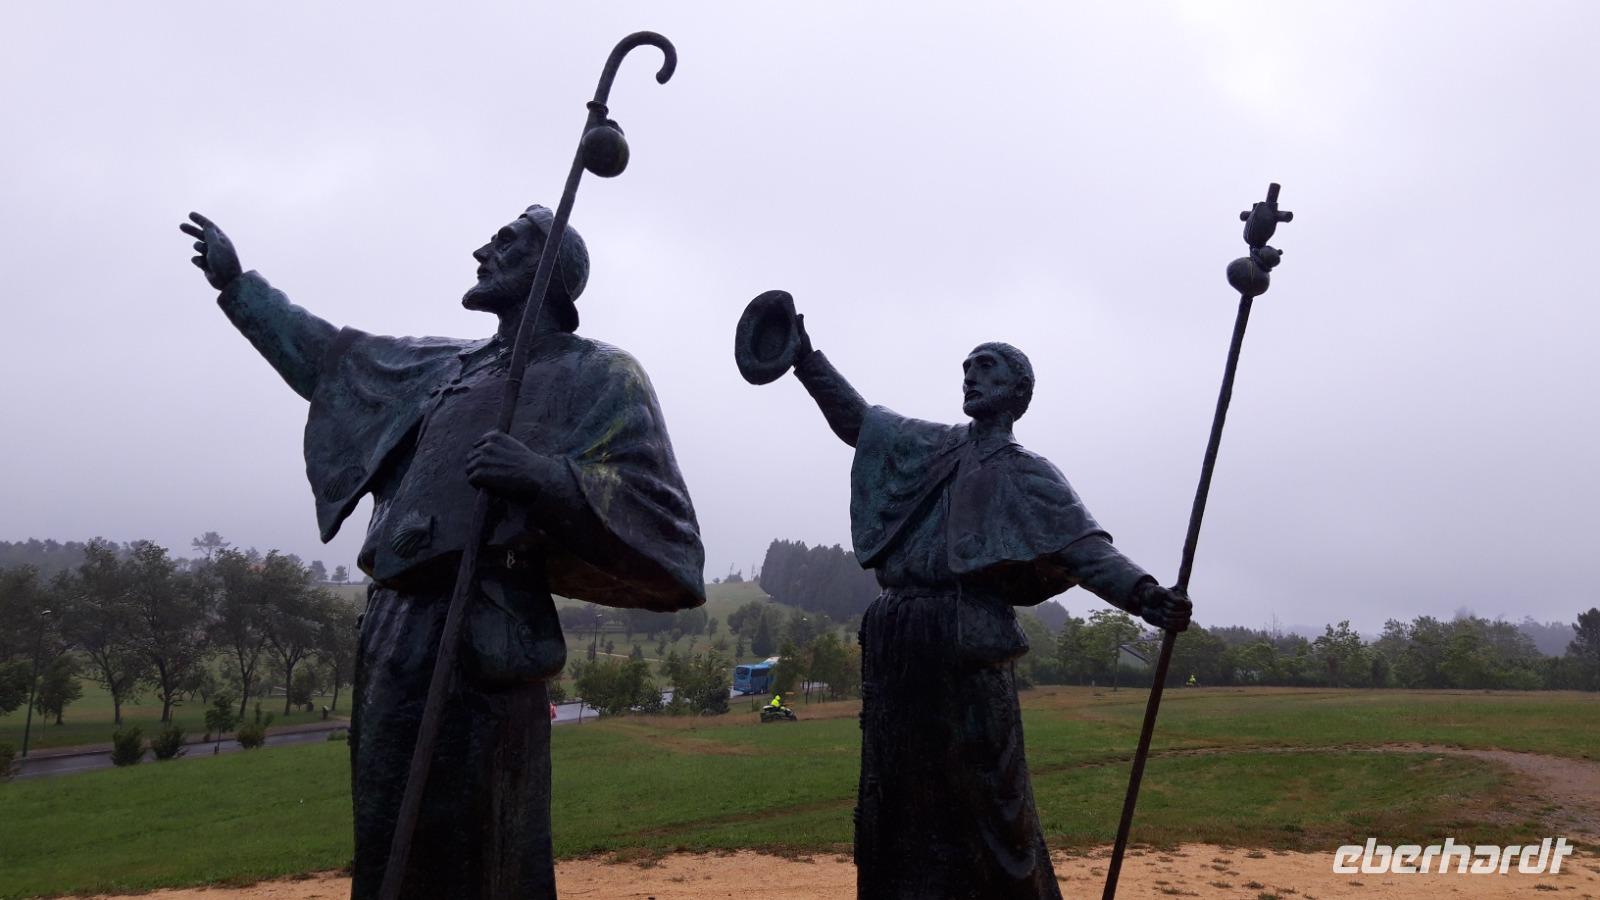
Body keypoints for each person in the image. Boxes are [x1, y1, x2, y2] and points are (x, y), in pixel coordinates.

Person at [181, 207, 704, 899]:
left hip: (483, 629)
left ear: (549, 271)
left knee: (481, 843)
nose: (482, 250)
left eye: (506, 242)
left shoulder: (601, 376)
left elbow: (666, 527)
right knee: (389, 833)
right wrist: (241, 287)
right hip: (394, 629)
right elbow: (332, 359)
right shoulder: (441, 369)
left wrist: (547, 478)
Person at [784, 317, 1191, 899]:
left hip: (966, 639)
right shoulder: (931, 445)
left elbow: (1085, 552)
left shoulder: (1028, 474)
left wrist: (1148, 597)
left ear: (1017, 391)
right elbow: (860, 422)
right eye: (967, 368)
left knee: (989, 794)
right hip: (898, 639)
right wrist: (805, 359)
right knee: (894, 792)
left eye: (987, 366)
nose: (971, 376)